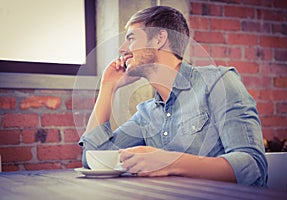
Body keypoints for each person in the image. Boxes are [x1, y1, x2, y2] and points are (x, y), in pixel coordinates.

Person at [79, 6, 268, 187]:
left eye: (130, 38)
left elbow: (253, 166)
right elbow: (93, 159)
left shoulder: (218, 82)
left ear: (159, 39)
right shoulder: (147, 114)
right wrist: (107, 86)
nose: (122, 49)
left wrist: (170, 162)